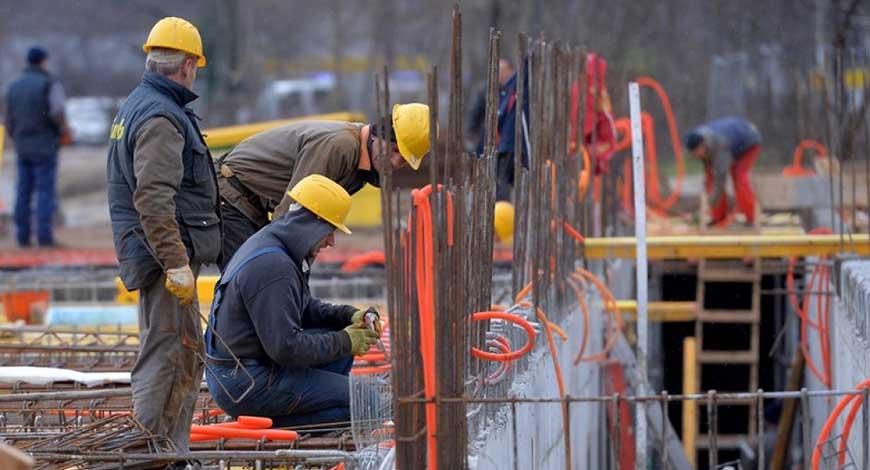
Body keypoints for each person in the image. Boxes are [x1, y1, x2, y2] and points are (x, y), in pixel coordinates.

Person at [106, 17, 219, 461]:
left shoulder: (143, 104)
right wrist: (175, 262)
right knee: (168, 359)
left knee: (183, 356)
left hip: (158, 254)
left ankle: (168, 453)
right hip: (163, 260)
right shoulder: (159, 116)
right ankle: (149, 456)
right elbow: (152, 198)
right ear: (188, 64)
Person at [204, 174, 381, 429]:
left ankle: (306, 404)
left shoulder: (277, 246)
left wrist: (348, 316)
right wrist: (345, 340)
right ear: (313, 223)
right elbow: (285, 348)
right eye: (330, 231)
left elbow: (303, 307)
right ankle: (272, 424)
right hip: (245, 383)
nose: (331, 242)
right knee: (368, 403)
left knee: (339, 347)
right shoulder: (274, 266)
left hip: (244, 371)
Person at [215, 103, 430, 269]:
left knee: (263, 277)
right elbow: (293, 211)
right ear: (377, 134)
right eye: (392, 150)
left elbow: (314, 220)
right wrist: (292, 269)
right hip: (232, 194)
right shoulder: (341, 147)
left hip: (252, 203)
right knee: (252, 279)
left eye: (402, 159)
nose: (393, 162)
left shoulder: (361, 165)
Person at [5, 46, 68, 247]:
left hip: (22, 146)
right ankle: (44, 237)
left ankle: (22, 237)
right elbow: (57, 111)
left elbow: (8, 119)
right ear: (43, 61)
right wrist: (64, 131)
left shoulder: (14, 85)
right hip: (45, 145)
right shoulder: (49, 83)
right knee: (44, 191)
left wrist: (16, 137)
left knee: (23, 190)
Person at [685, 117, 762, 226]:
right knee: (709, 180)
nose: (696, 156)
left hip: (749, 142)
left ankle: (752, 218)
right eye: (693, 154)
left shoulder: (719, 148)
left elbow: (720, 181)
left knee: (739, 176)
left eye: (697, 152)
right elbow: (711, 178)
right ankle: (718, 217)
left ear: (702, 146)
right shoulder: (700, 140)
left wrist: (706, 209)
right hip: (730, 142)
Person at [468, 58, 524, 202]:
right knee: (489, 179)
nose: (501, 75)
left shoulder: (517, 92)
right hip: (488, 144)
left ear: (511, 72)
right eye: (498, 72)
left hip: (510, 145)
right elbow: (475, 116)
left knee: (505, 180)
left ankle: (503, 207)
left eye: (504, 71)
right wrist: (474, 137)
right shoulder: (486, 91)